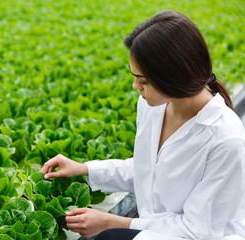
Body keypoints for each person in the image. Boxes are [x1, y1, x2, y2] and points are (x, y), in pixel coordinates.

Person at [41, 10, 245, 240]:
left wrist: (112, 222)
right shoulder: (151, 105)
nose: (134, 86)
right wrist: (85, 168)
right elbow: (147, 169)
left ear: (174, 78)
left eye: (143, 80)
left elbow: (197, 229)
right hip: (155, 228)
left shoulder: (225, 138)